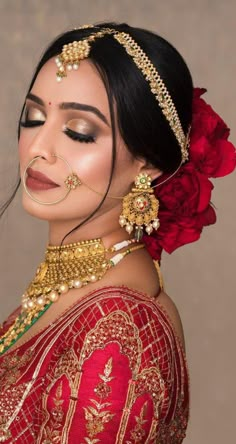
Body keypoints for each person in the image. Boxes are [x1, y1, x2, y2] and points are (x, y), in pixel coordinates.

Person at [0, 22, 235, 443]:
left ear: (147, 163)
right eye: (33, 117)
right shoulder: (70, 292)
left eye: (79, 132)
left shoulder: (118, 330)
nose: (38, 147)